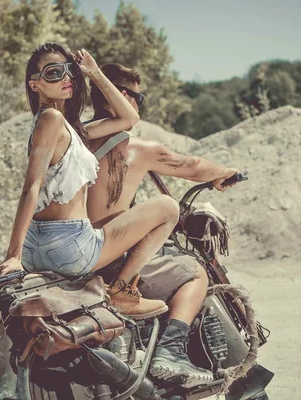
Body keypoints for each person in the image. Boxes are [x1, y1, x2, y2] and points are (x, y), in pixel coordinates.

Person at [0, 43, 180, 321]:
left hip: (39, 246)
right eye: (53, 73)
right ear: (35, 85)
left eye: (69, 71)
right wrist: (13, 255)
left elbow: (130, 118)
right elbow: (31, 186)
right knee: (168, 208)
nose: (66, 78)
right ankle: (121, 291)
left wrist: (93, 71)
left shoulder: (70, 130)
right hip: (70, 246)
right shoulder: (51, 118)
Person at [86, 63, 239, 385]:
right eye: (139, 97)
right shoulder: (136, 148)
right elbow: (195, 167)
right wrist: (223, 173)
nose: (140, 104)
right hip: (108, 258)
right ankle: (171, 351)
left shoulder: (74, 138)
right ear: (123, 96)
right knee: (193, 271)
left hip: (72, 250)